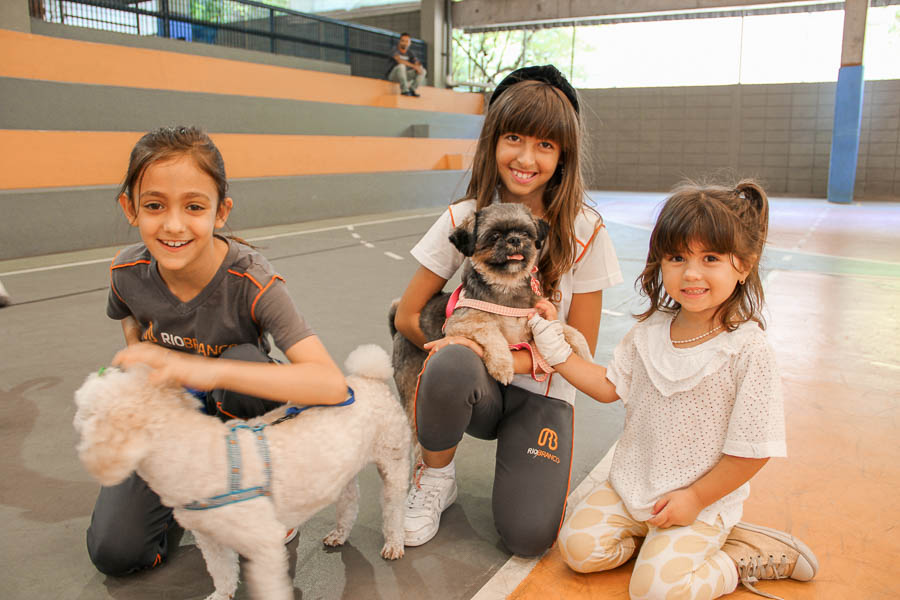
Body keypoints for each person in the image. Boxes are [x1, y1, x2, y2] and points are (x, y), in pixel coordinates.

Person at [528, 181, 818, 598]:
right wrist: (554, 345)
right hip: (632, 486)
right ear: (660, 262)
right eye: (677, 257)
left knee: (655, 592)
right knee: (578, 550)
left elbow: (752, 451)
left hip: (699, 502)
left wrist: (696, 498)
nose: (691, 273)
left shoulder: (747, 350)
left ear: (744, 264)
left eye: (711, 258)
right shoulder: (649, 331)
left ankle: (735, 558)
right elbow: (608, 387)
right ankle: (660, 546)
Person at [86, 126, 347, 576]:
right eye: (154, 206)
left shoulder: (251, 281)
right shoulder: (126, 272)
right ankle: (187, 488)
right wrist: (141, 371)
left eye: (193, 206)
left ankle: (263, 492)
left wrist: (205, 371)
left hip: (238, 415)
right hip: (173, 420)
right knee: (116, 553)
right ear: (130, 208)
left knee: (241, 363)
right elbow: (128, 318)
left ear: (220, 211)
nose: (173, 225)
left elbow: (329, 384)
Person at [393, 65, 623, 555]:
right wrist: (455, 358)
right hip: (478, 385)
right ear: (493, 140)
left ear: (564, 154)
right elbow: (407, 317)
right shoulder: (466, 217)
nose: (525, 158)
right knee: (454, 363)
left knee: (529, 537)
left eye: (545, 144)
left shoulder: (586, 230)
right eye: (513, 137)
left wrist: (506, 358)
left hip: (542, 391)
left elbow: (581, 350)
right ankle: (436, 475)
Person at [386, 32, 426, 97]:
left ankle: (412, 90)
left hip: (405, 75)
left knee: (423, 71)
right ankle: (404, 90)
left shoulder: (410, 53)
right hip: (393, 76)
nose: (405, 43)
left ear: (410, 43)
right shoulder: (394, 50)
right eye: (403, 41)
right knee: (401, 66)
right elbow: (399, 61)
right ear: (399, 42)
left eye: (407, 41)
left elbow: (417, 62)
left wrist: (418, 67)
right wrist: (414, 66)